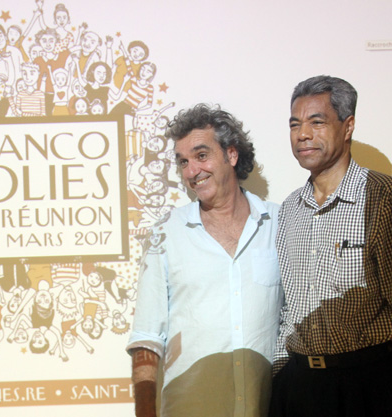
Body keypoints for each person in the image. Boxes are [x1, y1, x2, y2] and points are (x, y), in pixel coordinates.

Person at [127, 104, 283, 417]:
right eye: (183, 162)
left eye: (201, 155)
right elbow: (147, 337)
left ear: (232, 155)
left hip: (267, 405)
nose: (191, 172)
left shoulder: (279, 223)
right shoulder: (166, 233)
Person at [269, 75, 392, 417]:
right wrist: (280, 375)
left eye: (317, 122)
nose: (302, 134)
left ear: (347, 126)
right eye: (295, 124)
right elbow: (288, 308)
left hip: (367, 383)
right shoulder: (290, 208)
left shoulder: (381, 198)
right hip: (298, 384)